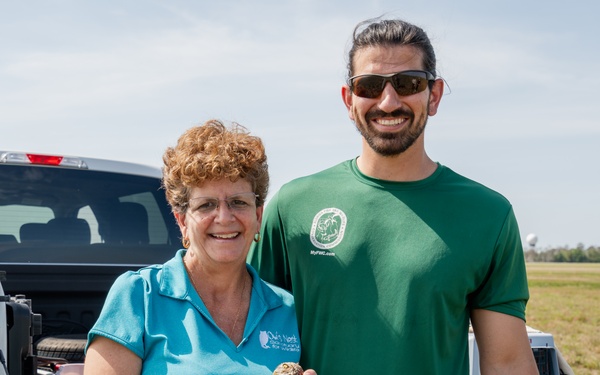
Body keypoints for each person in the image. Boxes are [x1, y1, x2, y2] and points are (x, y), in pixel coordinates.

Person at [248, 18, 539, 374]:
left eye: (407, 83)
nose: (388, 102)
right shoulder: (292, 206)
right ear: (349, 100)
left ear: (433, 96)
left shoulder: (487, 215)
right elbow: (247, 337)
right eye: (369, 86)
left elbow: (508, 363)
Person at [85, 120, 317, 374]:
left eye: (238, 202)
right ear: (182, 221)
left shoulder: (286, 310)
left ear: (258, 216)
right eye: (206, 205)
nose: (225, 218)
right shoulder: (140, 296)